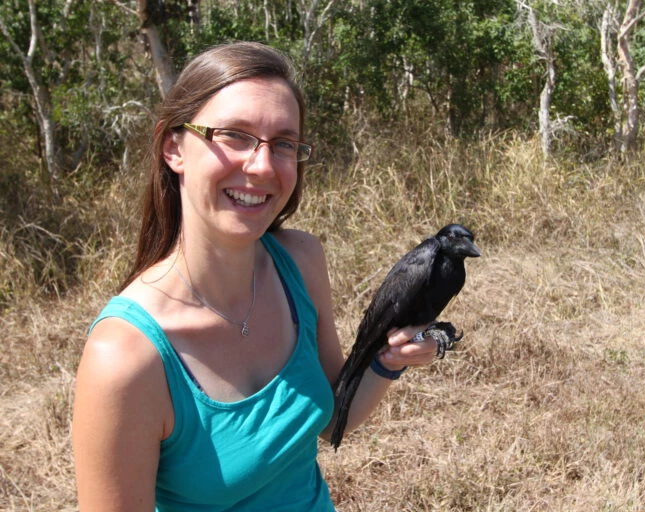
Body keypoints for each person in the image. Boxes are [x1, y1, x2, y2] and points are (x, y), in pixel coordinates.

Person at [72, 42, 440, 511]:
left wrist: (390, 361)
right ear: (173, 148)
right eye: (234, 135)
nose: (263, 166)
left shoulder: (300, 263)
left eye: (283, 143)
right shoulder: (125, 359)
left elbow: (332, 417)